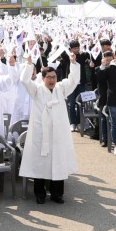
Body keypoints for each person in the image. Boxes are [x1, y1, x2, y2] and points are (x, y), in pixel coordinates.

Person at [19, 50, 81, 204]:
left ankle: (57, 194)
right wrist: (29, 64)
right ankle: (39, 194)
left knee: (58, 162)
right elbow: (25, 81)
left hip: (59, 133)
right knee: (41, 163)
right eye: (49, 77)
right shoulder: (37, 90)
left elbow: (74, 80)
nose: (52, 80)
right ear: (43, 78)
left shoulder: (61, 89)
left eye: (54, 77)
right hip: (42, 132)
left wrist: (73, 64)